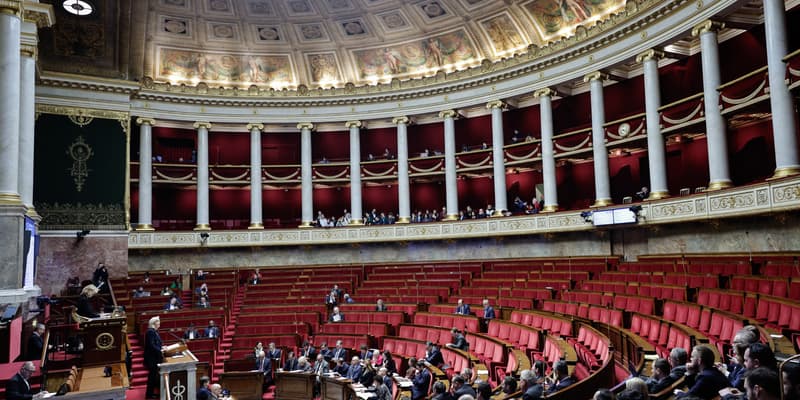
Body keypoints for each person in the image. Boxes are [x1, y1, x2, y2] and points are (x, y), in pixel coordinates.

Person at [144, 316, 164, 399]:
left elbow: (156, 344)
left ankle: (151, 393)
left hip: (154, 358)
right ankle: (149, 395)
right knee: (152, 377)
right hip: (152, 359)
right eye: (158, 322)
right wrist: (160, 350)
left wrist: (162, 348)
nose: (159, 323)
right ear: (153, 323)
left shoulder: (154, 331)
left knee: (153, 376)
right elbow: (152, 345)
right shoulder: (150, 332)